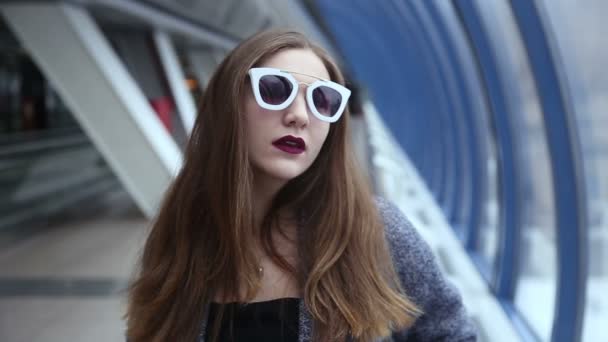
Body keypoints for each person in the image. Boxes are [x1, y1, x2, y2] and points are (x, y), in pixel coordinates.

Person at [125, 29, 477, 342]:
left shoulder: (374, 231)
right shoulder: (181, 237)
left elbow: (449, 332)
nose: (300, 115)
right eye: (275, 90)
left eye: (322, 100)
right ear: (228, 104)